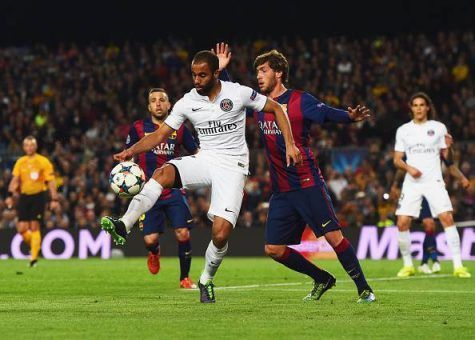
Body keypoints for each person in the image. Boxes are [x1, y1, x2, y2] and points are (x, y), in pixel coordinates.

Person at [100, 49, 302, 303]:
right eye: (194, 75)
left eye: (203, 75)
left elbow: (277, 109)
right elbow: (159, 135)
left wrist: (291, 143)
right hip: (206, 158)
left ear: (216, 73)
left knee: (220, 233)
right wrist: (130, 150)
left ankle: (206, 279)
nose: (196, 80)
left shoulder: (238, 93)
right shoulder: (186, 102)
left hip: (233, 166)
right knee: (162, 173)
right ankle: (124, 224)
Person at [125, 87, 199, 288]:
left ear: (169, 105)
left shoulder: (180, 128)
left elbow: (196, 152)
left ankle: (184, 278)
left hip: (174, 190)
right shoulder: (138, 128)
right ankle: (154, 252)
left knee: (183, 233)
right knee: (150, 239)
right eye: (154, 100)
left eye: (162, 100)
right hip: (148, 193)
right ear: (149, 106)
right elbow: (130, 156)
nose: (158, 103)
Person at [393, 92, 471, 278]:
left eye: (422, 105)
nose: (419, 108)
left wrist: (450, 148)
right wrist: (409, 168)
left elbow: (448, 160)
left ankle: (458, 266)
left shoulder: (438, 128)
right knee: (402, 222)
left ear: (428, 107)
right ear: (411, 108)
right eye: (415, 105)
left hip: (433, 181)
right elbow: (396, 160)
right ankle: (408, 265)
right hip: (412, 182)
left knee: (447, 218)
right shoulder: (403, 130)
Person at [6, 136, 60, 267]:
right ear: (24, 147)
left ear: (35, 147)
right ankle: (36, 245)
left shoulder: (43, 161)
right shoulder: (20, 161)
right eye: (27, 145)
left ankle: (33, 259)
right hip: (24, 196)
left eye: (31, 145)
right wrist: (9, 195)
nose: (29, 147)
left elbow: (51, 182)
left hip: (39, 196)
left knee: (34, 226)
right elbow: (15, 180)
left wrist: (54, 198)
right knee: (22, 229)